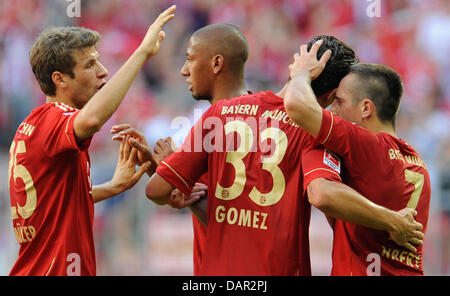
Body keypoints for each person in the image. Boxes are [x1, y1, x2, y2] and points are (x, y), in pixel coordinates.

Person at [144, 35, 424, 275]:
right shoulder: (315, 136)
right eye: (337, 100)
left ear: (296, 66)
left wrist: (182, 188)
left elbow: (157, 190)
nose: (337, 110)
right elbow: (325, 198)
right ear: (329, 95)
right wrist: (391, 220)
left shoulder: (220, 113)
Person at [7, 5, 176, 276]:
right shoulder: (54, 120)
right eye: (90, 65)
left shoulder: (33, 126)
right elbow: (92, 120)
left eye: (99, 61)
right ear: (60, 79)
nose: (103, 71)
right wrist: (142, 52)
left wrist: (111, 187)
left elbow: (53, 203)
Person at [111, 23, 252, 275]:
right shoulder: (262, 117)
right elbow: (238, 217)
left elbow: (157, 191)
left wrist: (169, 170)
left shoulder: (212, 122)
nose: (184, 71)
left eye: (190, 60)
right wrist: (158, 166)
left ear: (216, 64)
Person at [284, 41, 431, 275]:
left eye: (339, 101)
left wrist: (300, 73)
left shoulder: (367, 146)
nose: (332, 109)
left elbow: (296, 105)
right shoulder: (417, 164)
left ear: (366, 109)